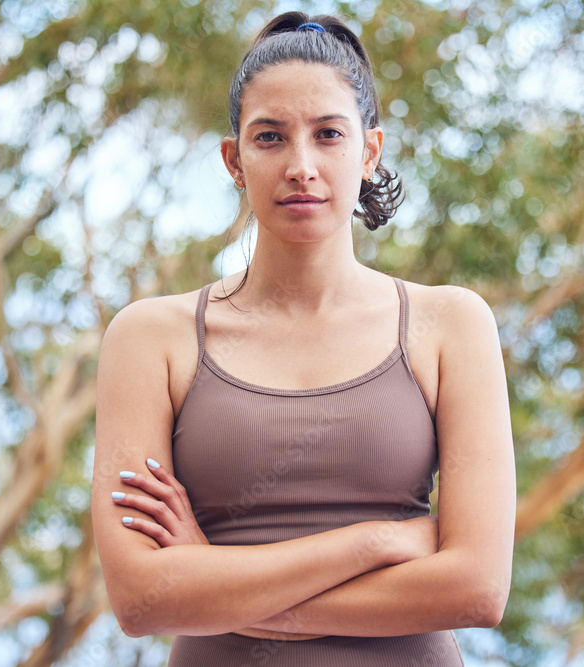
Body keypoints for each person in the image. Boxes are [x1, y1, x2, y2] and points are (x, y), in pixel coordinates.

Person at [91, 11, 516, 666]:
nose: (301, 165)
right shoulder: (152, 339)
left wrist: (214, 581)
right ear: (234, 159)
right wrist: (373, 543)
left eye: (328, 135)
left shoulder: (449, 324)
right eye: (270, 138)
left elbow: (477, 587)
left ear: (369, 151)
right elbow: (143, 599)